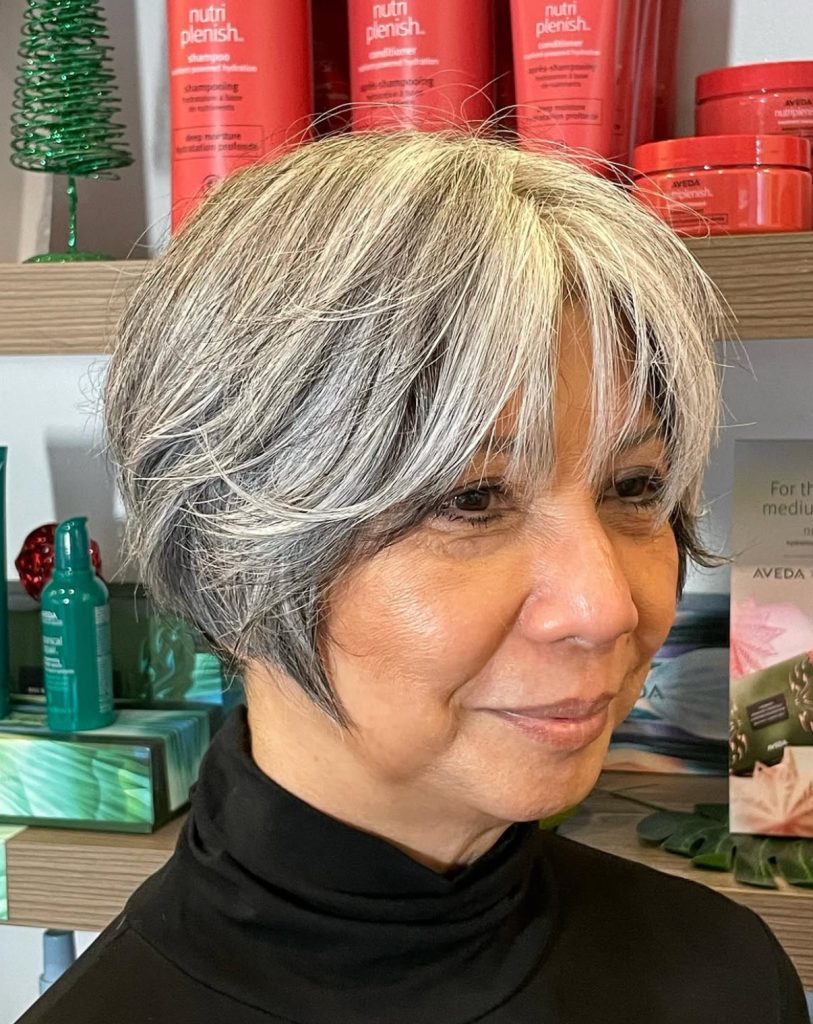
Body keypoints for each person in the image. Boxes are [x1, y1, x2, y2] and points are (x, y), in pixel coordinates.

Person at [20, 131, 809, 1024]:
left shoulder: (724, 975)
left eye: (632, 488)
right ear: (229, 560)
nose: (605, 606)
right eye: (472, 501)